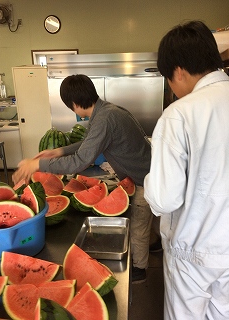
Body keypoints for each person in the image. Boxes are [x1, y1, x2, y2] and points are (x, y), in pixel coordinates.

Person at [12, 74, 159, 284]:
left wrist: (37, 164)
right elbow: (88, 143)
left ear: (74, 104)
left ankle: (140, 268)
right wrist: (59, 151)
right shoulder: (106, 110)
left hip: (142, 179)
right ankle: (157, 243)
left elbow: (79, 162)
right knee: (153, 219)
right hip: (149, 170)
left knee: (138, 226)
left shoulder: (104, 119)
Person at [144, 20, 229, 319]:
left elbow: (165, 200)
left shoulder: (179, 114)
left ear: (178, 71)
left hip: (193, 252)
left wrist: (149, 181)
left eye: (168, 78)